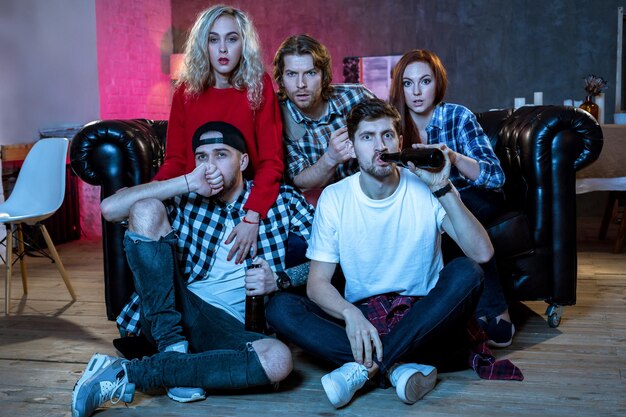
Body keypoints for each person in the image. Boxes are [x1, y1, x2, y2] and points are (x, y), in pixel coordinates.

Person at [266, 99, 521, 409]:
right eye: (367, 137)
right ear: (354, 146)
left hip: (426, 317)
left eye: (387, 135)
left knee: (467, 271)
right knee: (280, 307)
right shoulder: (334, 198)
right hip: (366, 317)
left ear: (400, 142)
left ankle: (367, 368)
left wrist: (443, 188)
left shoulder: (426, 186)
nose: (379, 145)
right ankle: (400, 367)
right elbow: (317, 283)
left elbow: (482, 253)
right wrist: (350, 314)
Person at [71, 122, 314, 417]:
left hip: (230, 327)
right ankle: (173, 347)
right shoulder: (187, 196)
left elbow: (330, 259)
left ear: (244, 160)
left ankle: (134, 372)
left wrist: (280, 279)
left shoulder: (282, 200)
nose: (209, 166)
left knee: (278, 360)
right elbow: (111, 209)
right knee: (146, 209)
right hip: (173, 312)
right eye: (202, 157)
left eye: (221, 155)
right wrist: (187, 182)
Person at [388, 49, 514, 347]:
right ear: (399, 87)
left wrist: (453, 157)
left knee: (457, 214)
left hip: (471, 197)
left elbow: (495, 176)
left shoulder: (458, 116)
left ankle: (494, 309)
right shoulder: (393, 123)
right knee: (435, 220)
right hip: (425, 206)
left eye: (425, 81)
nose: (417, 92)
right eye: (408, 83)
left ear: (438, 83)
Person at [154, 5, 284, 265]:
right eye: (214, 40)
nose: (223, 49)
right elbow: (176, 160)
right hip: (195, 195)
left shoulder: (259, 86)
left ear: (243, 44)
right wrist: (150, 190)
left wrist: (252, 215)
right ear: (204, 44)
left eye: (232, 39)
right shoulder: (185, 91)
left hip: (243, 196)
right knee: (142, 209)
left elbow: (271, 161)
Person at [273, 34, 375, 203]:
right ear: (281, 79)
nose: (301, 84)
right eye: (291, 74)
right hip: (320, 206)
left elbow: (390, 135)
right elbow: (298, 180)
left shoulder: (356, 97)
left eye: (310, 73)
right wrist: (331, 158)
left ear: (324, 75)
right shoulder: (277, 113)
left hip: (369, 195)